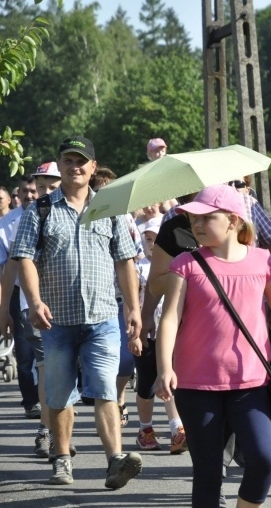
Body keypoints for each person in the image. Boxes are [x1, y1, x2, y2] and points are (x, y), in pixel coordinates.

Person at [155, 184, 271, 508]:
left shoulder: (263, 262)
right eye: (194, 219)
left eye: (207, 218)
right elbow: (169, 320)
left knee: (263, 458)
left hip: (251, 384)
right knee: (208, 472)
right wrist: (165, 368)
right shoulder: (185, 264)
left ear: (234, 221)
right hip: (195, 386)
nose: (198, 225)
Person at [12, 137, 144, 489]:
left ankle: (115, 459)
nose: (75, 166)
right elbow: (23, 257)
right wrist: (34, 300)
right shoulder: (39, 210)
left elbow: (125, 261)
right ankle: (63, 459)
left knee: (104, 389)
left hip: (102, 317)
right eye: (68, 160)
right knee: (59, 395)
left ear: (92, 166)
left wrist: (133, 308)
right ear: (59, 165)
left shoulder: (111, 208)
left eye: (81, 160)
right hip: (56, 320)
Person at [0, 164, 62, 459]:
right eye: (42, 188)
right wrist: (4, 310)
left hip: (73, 309)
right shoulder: (25, 220)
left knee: (64, 374)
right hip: (32, 308)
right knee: (48, 369)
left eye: (53, 187)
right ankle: (48, 433)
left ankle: (55, 433)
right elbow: (11, 267)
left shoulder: (77, 215)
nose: (46, 193)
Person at [90, 166, 145, 429]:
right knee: (104, 363)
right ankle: (108, 407)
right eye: (100, 192)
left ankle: (119, 395)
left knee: (125, 360)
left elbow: (134, 258)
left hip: (122, 299)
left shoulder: (124, 218)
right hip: (96, 301)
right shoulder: (86, 216)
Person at [128, 218, 188, 454]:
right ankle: (145, 428)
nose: (152, 244)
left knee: (170, 378)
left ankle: (177, 429)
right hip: (147, 331)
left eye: (156, 239)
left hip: (172, 330)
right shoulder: (137, 268)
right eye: (148, 239)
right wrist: (136, 330)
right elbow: (131, 302)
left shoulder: (178, 266)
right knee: (146, 383)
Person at [0, 175, 40, 420]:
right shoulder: (7, 223)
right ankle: (31, 401)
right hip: (17, 291)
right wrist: (3, 307)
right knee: (25, 352)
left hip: (49, 289)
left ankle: (54, 400)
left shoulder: (49, 214)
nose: (30, 195)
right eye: (25, 191)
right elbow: (5, 267)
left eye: (34, 190)